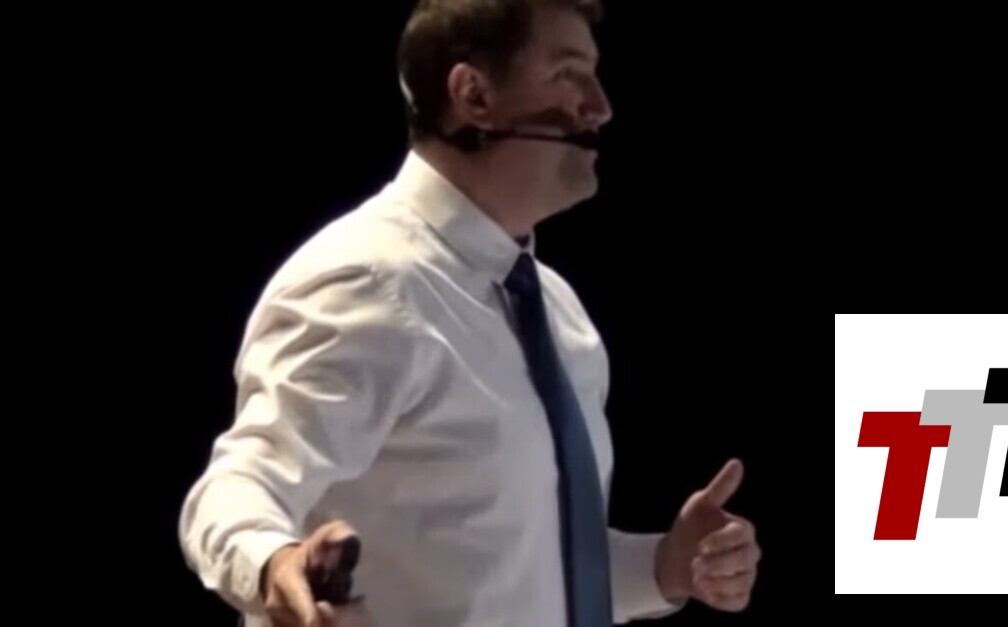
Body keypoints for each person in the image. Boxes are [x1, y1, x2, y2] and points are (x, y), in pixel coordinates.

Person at [178, 1, 760, 625]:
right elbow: (237, 486)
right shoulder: (362, 279)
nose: (600, 106)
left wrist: (665, 567)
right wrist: (272, 562)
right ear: (474, 95)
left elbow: (525, 571)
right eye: (568, 74)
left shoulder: (561, 314)